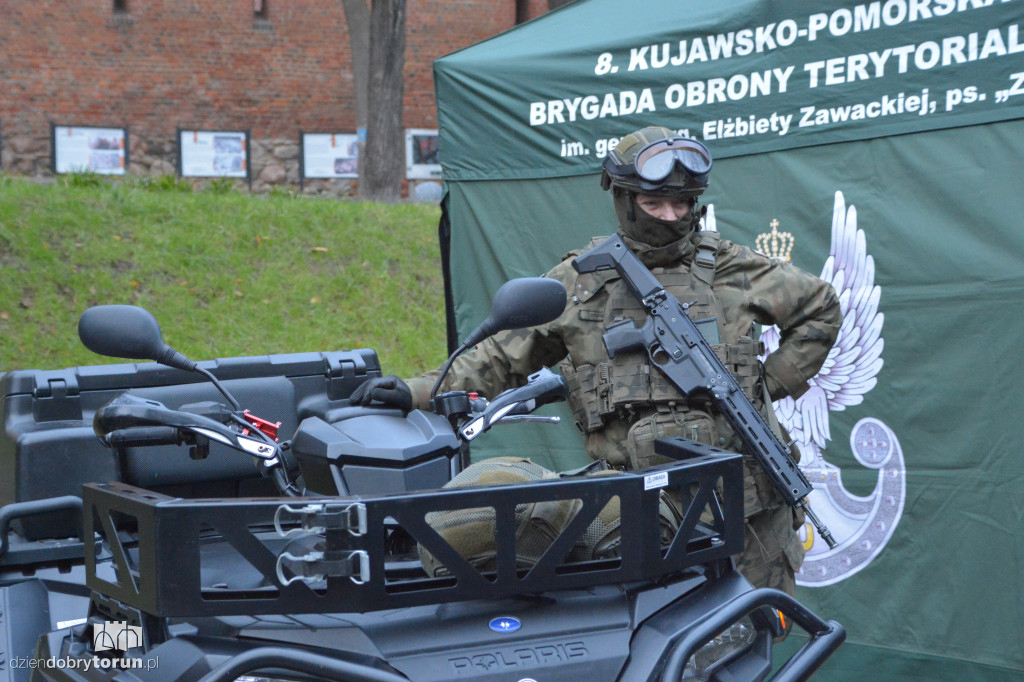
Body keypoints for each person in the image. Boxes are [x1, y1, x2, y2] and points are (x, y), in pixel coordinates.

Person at [350, 126, 843, 595]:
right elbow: (498, 358)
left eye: (682, 204)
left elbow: (820, 307)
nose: (670, 216)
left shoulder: (733, 267)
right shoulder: (582, 282)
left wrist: (765, 384)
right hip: (632, 515)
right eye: (654, 203)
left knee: (752, 633)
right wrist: (417, 391)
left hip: (748, 511)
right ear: (623, 199)